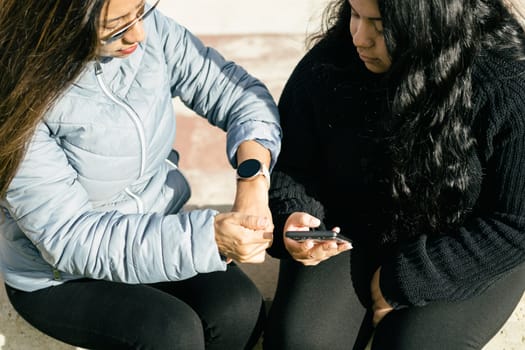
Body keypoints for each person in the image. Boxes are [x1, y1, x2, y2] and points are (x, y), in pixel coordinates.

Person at [0, 0, 281, 349]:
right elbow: (71, 238)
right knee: (170, 333)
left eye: (141, 9)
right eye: (116, 25)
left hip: (155, 225)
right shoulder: (13, 95)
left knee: (239, 309)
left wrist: (252, 180)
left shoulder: (151, 31)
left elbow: (240, 95)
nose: (139, 33)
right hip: (61, 273)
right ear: (57, 21)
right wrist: (208, 239)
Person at [263, 0, 525, 349]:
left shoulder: (505, 84)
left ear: (431, 21)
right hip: (355, 229)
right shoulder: (330, 63)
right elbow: (292, 164)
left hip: (470, 241)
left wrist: (403, 279)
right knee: (301, 341)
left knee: (413, 344)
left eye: (381, 25)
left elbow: (516, 222)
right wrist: (293, 213)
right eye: (354, 15)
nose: (359, 37)